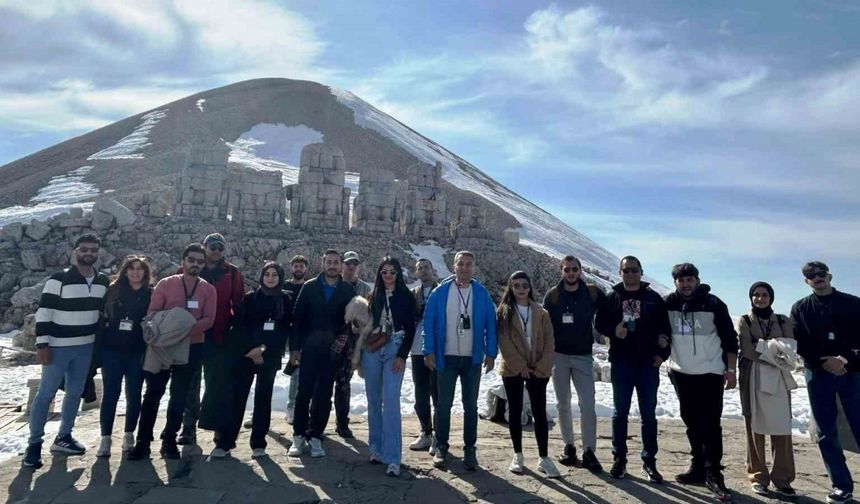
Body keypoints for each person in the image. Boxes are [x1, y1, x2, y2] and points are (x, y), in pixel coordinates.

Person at [23, 234, 110, 469]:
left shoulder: (102, 281)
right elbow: (45, 312)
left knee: (74, 393)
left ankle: (64, 437)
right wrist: (42, 344)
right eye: (84, 249)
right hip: (58, 346)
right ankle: (34, 445)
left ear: (98, 252)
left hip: (85, 347)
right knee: (46, 394)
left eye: (93, 250)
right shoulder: (58, 279)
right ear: (76, 251)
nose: (88, 253)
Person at [129, 243, 216, 460]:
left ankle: (169, 439)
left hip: (191, 347)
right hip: (162, 347)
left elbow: (209, 319)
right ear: (183, 261)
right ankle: (143, 441)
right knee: (153, 394)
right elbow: (153, 313)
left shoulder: (208, 289)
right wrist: (173, 331)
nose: (195, 264)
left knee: (179, 396)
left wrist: (184, 331)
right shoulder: (166, 284)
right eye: (191, 260)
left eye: (199, 261)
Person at [665, 263, 738, 502]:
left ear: (697, 280)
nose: (686, 284)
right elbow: (660, 332)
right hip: (681, 372)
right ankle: (698, 468)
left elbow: (729, 339)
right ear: (675, 282)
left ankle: (714, 473)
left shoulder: (714, 304)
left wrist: (730, 370)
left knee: (710, 424)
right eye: (681, 280)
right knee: (691, 421)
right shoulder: (668, 304)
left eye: (690, 280)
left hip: (710, 373)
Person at [594, 256, 670, 482]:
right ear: (620, 273)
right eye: (626, 270)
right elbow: (599, 323)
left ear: (641, 272)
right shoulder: (612, 297)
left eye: (634, 270)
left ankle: (649, 462)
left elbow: (665, 330)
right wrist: (613, 330)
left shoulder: (653, 299)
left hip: (647, 364)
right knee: (620, 413)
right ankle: (620, 460)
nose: (630, 274)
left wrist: (662, 355)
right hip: (622, 362)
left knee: (648, 415)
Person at [791, 261, 860, 504]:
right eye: (811, 275)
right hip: (818, 375)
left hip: (851, 373)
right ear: (806, 281)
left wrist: (844, 359)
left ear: (829, 275)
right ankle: (841, 485)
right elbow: (799, 342)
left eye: (821, 274)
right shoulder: (800, 308)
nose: (817, 278)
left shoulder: (853, 304)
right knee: (825, 432)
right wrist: (824, 362)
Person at [424, 251, 497, 471]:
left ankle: (470, 449)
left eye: (468, 264)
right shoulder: (440, 292)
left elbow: (491, 326)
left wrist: (491, 353)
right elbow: (429, 323)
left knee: (470, 406)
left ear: (473, 268)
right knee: (443, 404)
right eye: (460, 264)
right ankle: (442, 445)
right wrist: (428, 351)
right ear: (453, 267)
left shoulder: (482, 294)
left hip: (472, 360)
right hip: (446, 357)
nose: (464, 268)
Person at [215, 262, 293, 459]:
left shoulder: (284, 300)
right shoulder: (250, 298)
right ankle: (226, 442)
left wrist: (263, 348)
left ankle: (258, 443)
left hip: (270, 355)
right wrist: (252, 349)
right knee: (238, 396)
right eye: (267, 274)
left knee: (263, 398)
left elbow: (283, 330)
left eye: (275, 274)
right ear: (262, 276)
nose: (271, 278)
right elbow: (240, 326)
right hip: (247, 355)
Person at [288, 250, 356, 458]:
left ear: (341, 265)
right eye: (329, 262)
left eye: (336, 262)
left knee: (324, 395)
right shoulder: (310, 287)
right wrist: (294, 349)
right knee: (303, 393)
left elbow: (352, 322)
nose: (333, 266)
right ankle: (298, 436)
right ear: (323, 264)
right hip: (309, 349)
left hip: (332, 351)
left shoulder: (347, 290)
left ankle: (316, 436)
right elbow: (297, 320)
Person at [178, 233, 244, 446]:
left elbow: (239, 304)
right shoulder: (189, 270)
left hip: (220, 336)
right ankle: (188, 427)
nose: (216, 251)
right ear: (204, 247)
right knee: (191, 381)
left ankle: (216, 425)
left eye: (220, 248)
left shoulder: (232, 273)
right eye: (212, 247)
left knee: (217, 383)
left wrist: (236, 332)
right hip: (192, 334)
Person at [543, 255, 605, 472]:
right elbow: (544, 327)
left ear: (580, 271)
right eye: (567, 269)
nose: (571, 273)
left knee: (587, 403)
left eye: (574, 269)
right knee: (563, 403)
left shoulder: (592, 292)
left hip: (583, 356)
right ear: (561, 271)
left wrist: (614, 333)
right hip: (558, 356)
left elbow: (609, 312)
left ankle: (589, 450)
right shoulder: (553, 296)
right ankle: (569, 446)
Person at [496, 271, 560, 478]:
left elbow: (550, 342)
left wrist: (542, 366)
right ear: (511, 288)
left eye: (524, 285)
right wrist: (520, 365)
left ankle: (543, 457)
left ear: (530, 287)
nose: (521, 289)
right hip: (513, 369)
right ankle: (518, 454)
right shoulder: (504, 312)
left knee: (539, 412)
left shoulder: (541, 313)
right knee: (515, 411)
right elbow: (504, 342)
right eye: (516, 286)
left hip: (538, 368)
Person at [738, 281, 797, 499]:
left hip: (779, 378)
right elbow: (747, 349)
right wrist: (773, 351)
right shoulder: (744, 320)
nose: (760, 298)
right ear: (751, 298)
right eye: (756, 295)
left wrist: (764, 347)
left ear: (771, 297)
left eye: (764, 295)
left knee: (781, 426)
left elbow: (790, 348)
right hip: (753, 375)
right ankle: (758, 476)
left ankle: (783, 479)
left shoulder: (782, 320)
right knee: (755, 425)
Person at [361, 256, 417, 477]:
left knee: (391, 400)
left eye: (392, 272)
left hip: (395, 346)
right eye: (383, 272)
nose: (387, 276)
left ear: (398, 274)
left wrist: (402, 356)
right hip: (374, 349)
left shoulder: (406, 297)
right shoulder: (373, 296)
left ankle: (393, 457)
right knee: (373, 399)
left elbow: (411, 328)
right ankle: (376, 449)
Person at [96, 256, 153, 458]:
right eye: (132, 268)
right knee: (111, 394)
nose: (136, 272)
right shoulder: (113, 290)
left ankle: (129, 434)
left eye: (140, 269)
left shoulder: (150, 294)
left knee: (134, 394)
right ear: (125, 271)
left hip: (136, 351)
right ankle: (105, 438)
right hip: (112, 349)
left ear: (145, 273)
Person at [334, 250, 371, 438]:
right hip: (338, 339)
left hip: (359, 341)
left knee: (346, 381)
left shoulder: (366, 288)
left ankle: (344, 422)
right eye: (348, 263)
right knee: (334, 381)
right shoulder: (335, 285)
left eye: (354, 263)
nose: (351, 266)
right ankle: (333, 421)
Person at [408, 258, 438, 452]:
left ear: (432, 270)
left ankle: (439, 435)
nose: (423, 271)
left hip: (437, 350)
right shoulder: (412, 295)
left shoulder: (442, 292)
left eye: (426, 267)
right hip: (417, 350)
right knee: (421, 394)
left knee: (438, 394)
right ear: (416, 273)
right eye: (420, 268)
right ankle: (425, 431)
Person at [284, 254, 308, 424]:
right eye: (296, 266)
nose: (298, 269)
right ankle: (257, 409)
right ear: (291, 267)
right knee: (265, 370)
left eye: (301, 266)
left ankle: (292, 406)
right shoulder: (284, 285)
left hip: (300, 334)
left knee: (297, 371)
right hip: (282, 332)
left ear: (305, 268)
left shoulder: (309, 287)